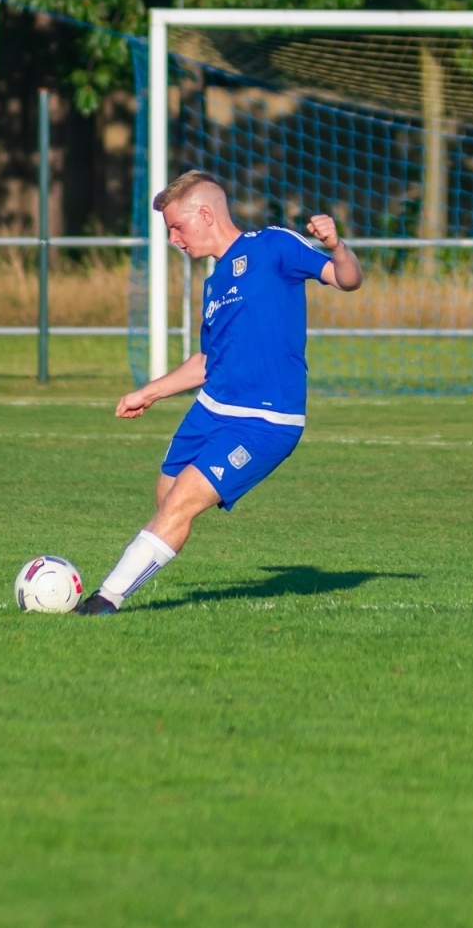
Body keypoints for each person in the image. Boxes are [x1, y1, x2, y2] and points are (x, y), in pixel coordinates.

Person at [76, 170, 363, 616]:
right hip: (211, 410)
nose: (173, 239)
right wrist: (148, 393)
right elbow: (207, 362)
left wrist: (337, 246)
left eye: (176, 226)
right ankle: (126, 581)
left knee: (182, 504)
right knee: (166, 498)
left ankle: (103, 600)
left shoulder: (272, 246)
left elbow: (347, 280)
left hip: (265, 422)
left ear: (205, 214)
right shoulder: (214, 284)